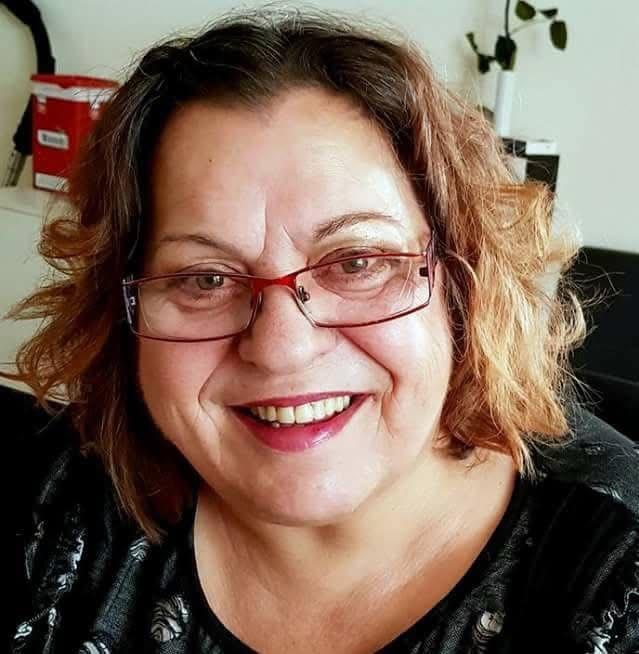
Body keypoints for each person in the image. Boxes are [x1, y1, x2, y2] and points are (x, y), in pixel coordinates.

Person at [6, 8, 638, 654]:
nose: (282, 348)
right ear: (124, 315)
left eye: (356, 263)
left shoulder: (615, 577)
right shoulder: (50, 509)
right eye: (205, 279)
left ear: (461, 281)